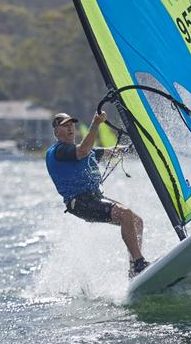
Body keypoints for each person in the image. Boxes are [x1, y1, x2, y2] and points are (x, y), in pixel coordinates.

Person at [46, 111, 150, 277]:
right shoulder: (58, 151)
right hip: (80, 203)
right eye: (65, 126)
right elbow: (82, 151)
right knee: (126, 214)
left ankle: (135, 268)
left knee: (136, 221)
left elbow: (111, 151)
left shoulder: (84, 150)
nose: (70, 128)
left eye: (71, 125)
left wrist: (136, 146)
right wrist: (95, 124)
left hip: (94, 199)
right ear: (56, 132)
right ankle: (139, 264)